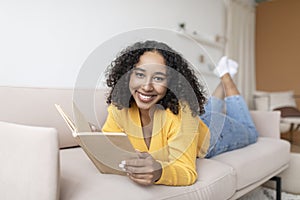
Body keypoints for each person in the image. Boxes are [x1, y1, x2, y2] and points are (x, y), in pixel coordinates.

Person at [101, 40, 258, 186]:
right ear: (128, 75)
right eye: (140, 74)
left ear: (170, 83)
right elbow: (109, 141)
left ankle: (226, 77)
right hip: (190, 126)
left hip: (212, 133)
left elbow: (187, 171)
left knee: (251, 132)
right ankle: (222, 81)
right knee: (202, 113)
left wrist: (160, 172)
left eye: (158, 78)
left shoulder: (183, 113)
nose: (147, 86)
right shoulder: (119, 107)